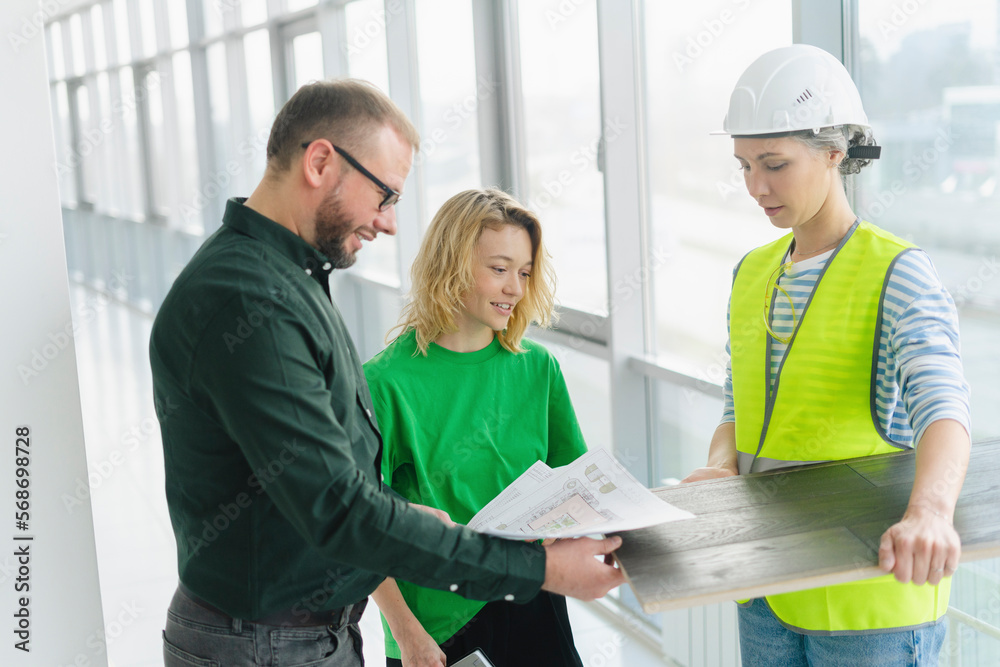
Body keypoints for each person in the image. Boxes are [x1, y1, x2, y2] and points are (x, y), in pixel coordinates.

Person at [150, 79, 624, 667]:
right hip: (266, 642)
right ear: (322, 161)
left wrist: (401, 518)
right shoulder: (249, 300)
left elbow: (332, 484)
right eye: (384, 195)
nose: (390, 222)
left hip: (303, 633)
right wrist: (539, 569)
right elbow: (340, 510)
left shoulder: (289, 280)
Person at [682, 45, 972, 665]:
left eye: (775, 163)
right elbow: (742, 407)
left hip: (869, 601)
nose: (756, 186)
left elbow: (945, 409)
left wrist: (929, 513)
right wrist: (719, 465)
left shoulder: (898, 272)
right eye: (744, 165)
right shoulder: (751, 272)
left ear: (835, 153)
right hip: (766, 588)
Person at [363, 188, 588, 667]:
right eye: (500, 269)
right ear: (451, 265)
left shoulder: (537, 368)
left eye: (525, 272)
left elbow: (575, 482)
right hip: (438, 623)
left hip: (533, 595)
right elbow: (362, 527)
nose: (516, 288)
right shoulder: (385, 381)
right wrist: (407, 637)